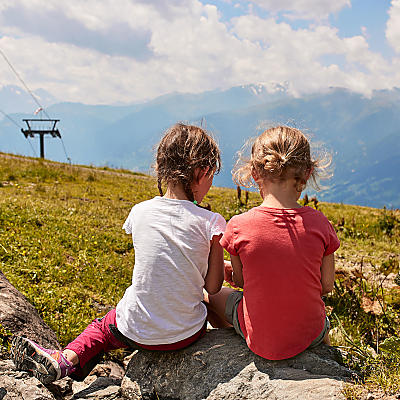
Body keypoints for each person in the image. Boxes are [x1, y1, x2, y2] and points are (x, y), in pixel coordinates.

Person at [11, 123, 226, 384]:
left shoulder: (140, 212)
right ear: (202, 172)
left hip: (135, 330)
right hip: (186, 335)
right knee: (202, 302)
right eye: (212, 175)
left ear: (161, 168)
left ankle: (65, 361)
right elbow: (213, 287)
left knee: (102, 329)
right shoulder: (211, 222)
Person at [205, 125, 340, 360]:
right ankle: (327, 354)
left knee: (210, 297)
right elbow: (326, 285)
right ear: (307, 173)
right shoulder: (320, 223)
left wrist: (233, 272)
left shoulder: (238, 225)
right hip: (311, 333)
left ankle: (234, 339)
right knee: (318, 317)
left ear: (255, 173)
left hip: (261, 343)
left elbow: (242, 282)